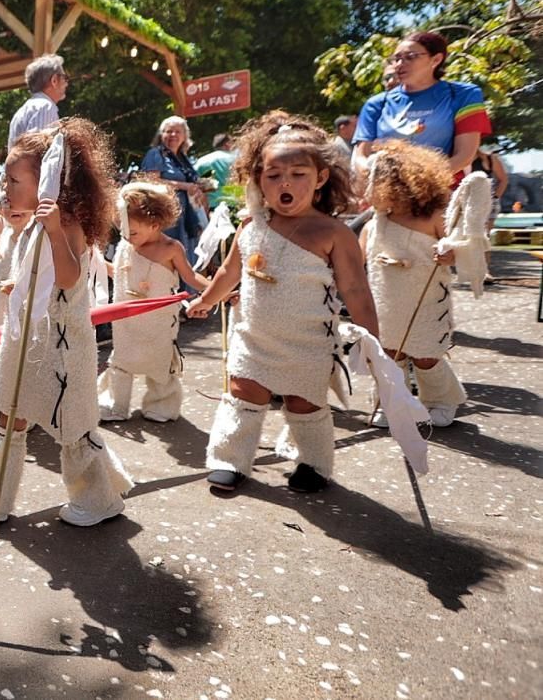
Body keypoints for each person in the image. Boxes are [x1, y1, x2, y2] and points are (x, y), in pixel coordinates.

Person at [0, 119, 134, 528]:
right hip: (28, 340)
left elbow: (68, 278)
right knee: (9, 417)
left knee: (71, 425)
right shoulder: (33, 223)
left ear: (49, 181)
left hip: (62, 345)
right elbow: (40, 273)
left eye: (14, 180)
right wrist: (20, 282)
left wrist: (52, 231)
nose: (5, 188)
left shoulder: (65, 223)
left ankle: (100, 497)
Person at [186, 115, 378, 495]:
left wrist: (374, 339)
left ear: (321, 177)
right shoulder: (252, 225)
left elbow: (355, 289)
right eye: (273, 175)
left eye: (298, 173)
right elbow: (229, 271)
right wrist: (205, 300)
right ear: (258, 179)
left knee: (304, 405)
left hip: (307, 342)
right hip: (254, 337)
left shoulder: (334, 233)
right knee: (242, 395)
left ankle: (313, 463)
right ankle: (230, 459)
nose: (285, 183)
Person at [360, 141, 465, 427]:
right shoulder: (374, 223)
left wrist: (450, 252)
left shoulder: (434, 217)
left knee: (426, 356)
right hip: (386, 304)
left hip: (426, 301)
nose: (367, 188)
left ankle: (441, 399)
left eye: (373, 181)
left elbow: (462, 248)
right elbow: (357, 262)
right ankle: (390, 402)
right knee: (389, 355)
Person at [98, 180, 210, 423]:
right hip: (127, 320)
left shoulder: (171, 248)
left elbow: (190, 277)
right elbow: (117, 272)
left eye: (134, 232)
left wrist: (216, 290)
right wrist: (94, 260)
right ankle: (116, 404)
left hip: (158, 322)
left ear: (155, 224)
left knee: (159, 361)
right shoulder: (127, 247)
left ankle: (162, 404)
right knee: (122, 360)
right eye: (124, 232)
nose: (127, 237)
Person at [354, 30, 493, 181]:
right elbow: (361, 156)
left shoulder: (463, 95)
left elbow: (465, 155)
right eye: (397, 58)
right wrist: (379, 179)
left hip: (443, 196)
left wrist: (419, 182)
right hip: (388, 195)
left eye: (410, 57)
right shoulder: (376, 104)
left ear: (436, 59)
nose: (399, 64)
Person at [140, 115, 205, 267]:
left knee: (186, 257)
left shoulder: (183, 158)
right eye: (169, 131)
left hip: (186, 214)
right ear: (161, 135)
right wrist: (184, 186)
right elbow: (151, 181)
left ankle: (188, 290)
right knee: (168, 259)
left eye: (178, 131)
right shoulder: (156, 154)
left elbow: (190, 182)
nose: (173, 135)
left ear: (185, 136)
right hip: (166, 214)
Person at [0, 203, 34, 368]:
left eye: (22, 203)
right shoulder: (5, 234)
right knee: (0, 354)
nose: (16, 208)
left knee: (19, 354)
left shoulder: (35, 237)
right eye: (8, 204)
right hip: (1, 301)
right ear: (0, 210)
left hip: (23, 305)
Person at [7, 54, 67, 147]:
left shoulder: (29, 107)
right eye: (64, 77)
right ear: (54, 80)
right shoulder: (45, 107)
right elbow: (38, 153)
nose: (66, 83)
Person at [194, 132, 236, 210]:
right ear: (227, 144)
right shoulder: (236, 159)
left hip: (212, 206)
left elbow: (200, 186)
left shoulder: (202, 161)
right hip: (235, 204)